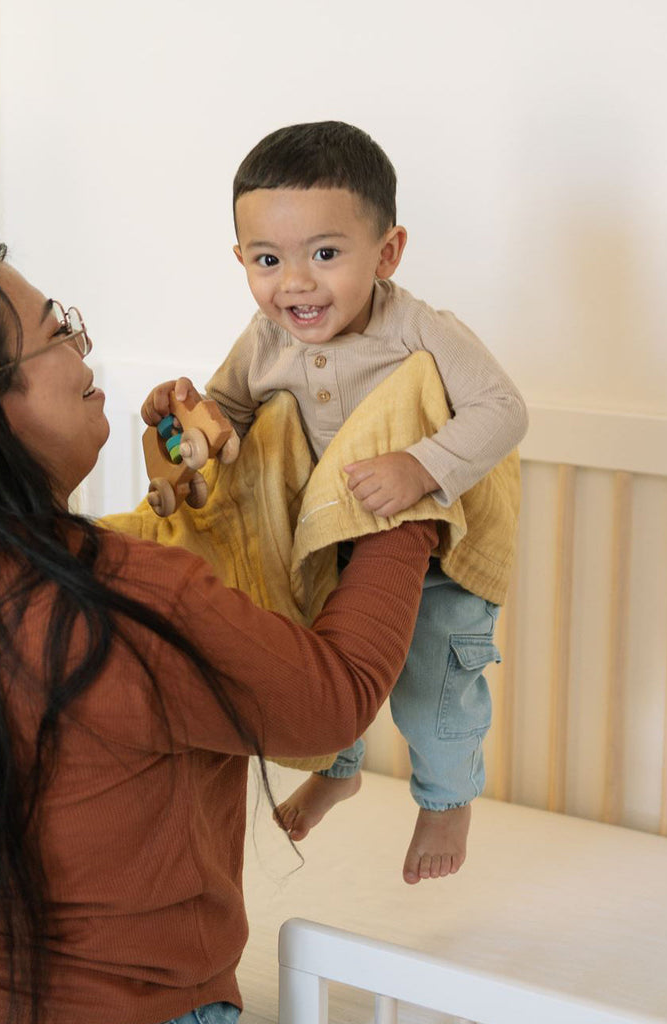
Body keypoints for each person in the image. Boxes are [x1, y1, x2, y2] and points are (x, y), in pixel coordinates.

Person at [0, 236, 438, 1024]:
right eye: (56, 329)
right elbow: (332, 699)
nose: (82, 345)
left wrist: (192, 502)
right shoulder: (126, 600)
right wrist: (410, 507)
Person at [142, 120, 527, 887]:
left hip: (439, 558)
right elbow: (231, 410)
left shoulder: (417, 327)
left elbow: (502, 409)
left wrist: (422, 465)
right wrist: (193, 423)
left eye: (325, 254)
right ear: (242, 261)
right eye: (267, 259)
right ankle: (339, 769)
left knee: (431, 685)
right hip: (337, 545)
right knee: (315, 661)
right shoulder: (265, 337)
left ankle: (447, 799)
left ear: (386, 253)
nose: (296, 283)